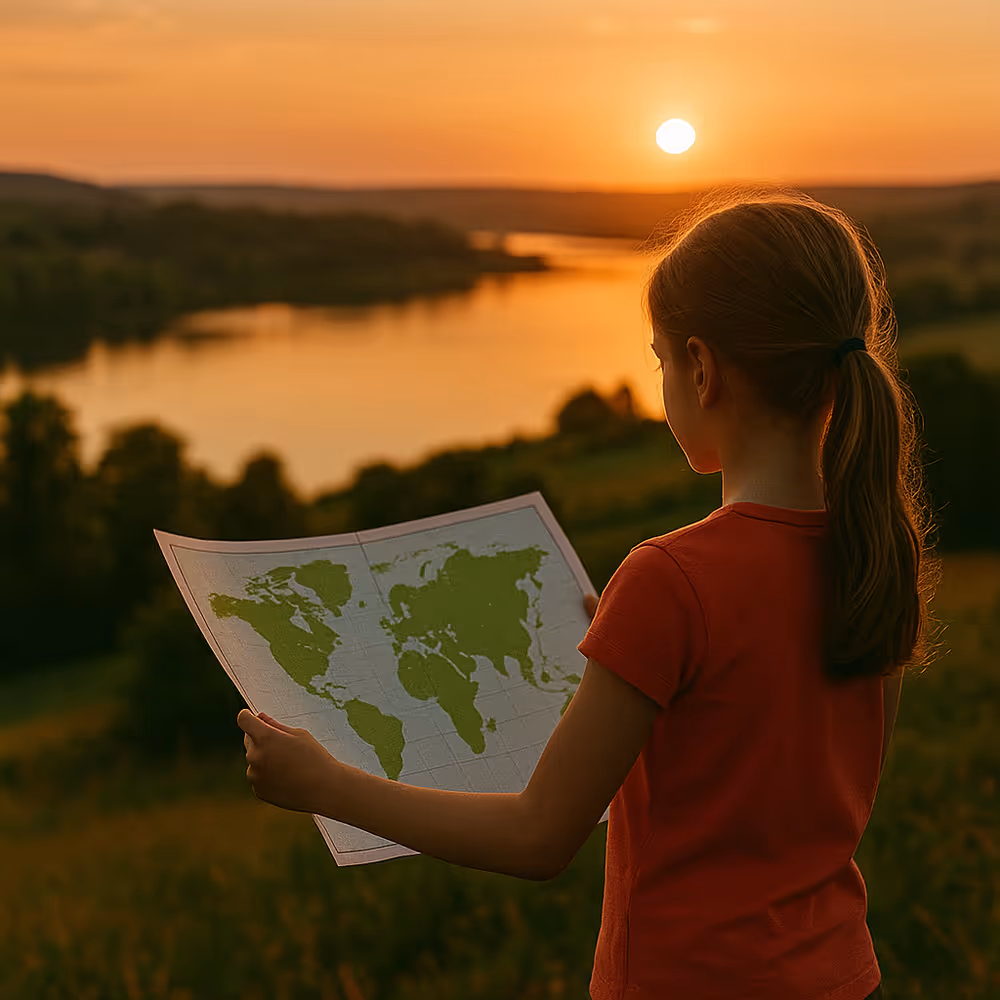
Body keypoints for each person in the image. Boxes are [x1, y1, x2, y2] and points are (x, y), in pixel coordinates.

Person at [238, 185, 945, 999]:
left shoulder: (672, 579)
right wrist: (636, 645)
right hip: (840, 979)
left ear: (702, 368)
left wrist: (326, 785)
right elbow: (799, 788)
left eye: (660, 359)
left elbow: (540, 838)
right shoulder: (876, 555)